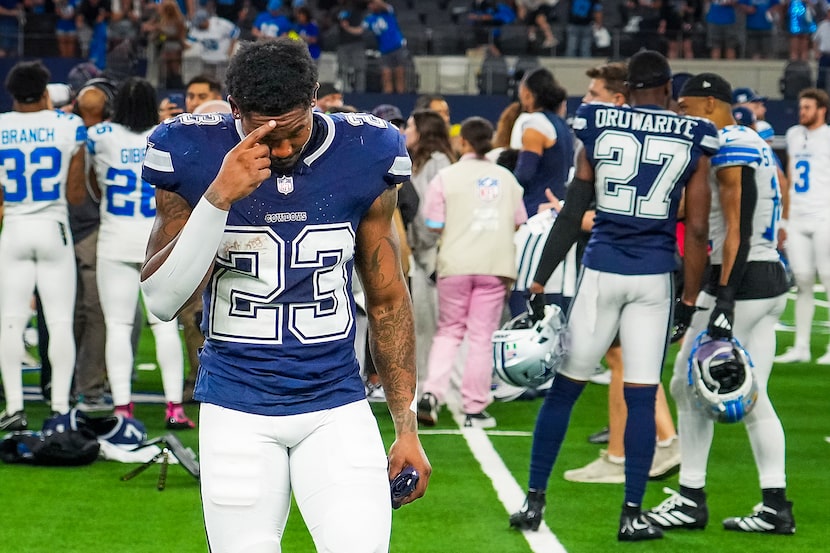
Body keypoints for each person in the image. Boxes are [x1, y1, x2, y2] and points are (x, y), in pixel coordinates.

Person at [139, 38, 430, 551]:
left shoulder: (368, 150)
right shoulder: (190, 151)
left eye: (293, 130)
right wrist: (217, 199)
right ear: (234, 111)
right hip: (236, 406)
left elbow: (386, 298)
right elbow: (163, 301)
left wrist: (406, 422)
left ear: (316, 98)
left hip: (336, 403)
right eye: (263, 133)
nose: (282, 149)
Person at [508, 50, 718, 541]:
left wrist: (539, 279)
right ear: (667, 89)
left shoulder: (598, 125)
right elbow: (701, 228)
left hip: (601, 270)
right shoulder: (692, 136)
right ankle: (631, 512)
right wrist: (689, 302)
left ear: (626, 88)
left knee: (565, 389)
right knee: (642, 396)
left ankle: (534, 499)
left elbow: (572, 209)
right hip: (653, 278)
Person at [646, 72, 796, 535]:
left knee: (688, 385)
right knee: (749, 396)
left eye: (686, 107)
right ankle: (774, 504)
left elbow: (737, 227)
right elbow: (781, 198)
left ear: (709, 103)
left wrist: (722, 300)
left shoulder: (731, 142)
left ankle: (692, 496)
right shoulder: (753, 140)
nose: (681, 116)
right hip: (766, 276)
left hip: (741, 282)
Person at [561, 61, 680, 485]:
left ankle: (648, 446)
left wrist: (572, 215)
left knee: (626, 359)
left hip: (636, 262)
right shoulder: (651, 132)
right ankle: (638, 445)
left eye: (592, 94)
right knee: (623, 358)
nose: (585, 102)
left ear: (617, 99)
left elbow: (648, 210)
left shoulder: (616, 135)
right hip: (644, 263)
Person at [86, 77, 195, 428]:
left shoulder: (99, 136)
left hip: (115, 238)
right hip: (158, 241)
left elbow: (89, 184)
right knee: (165, 327)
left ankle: (122, 408)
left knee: (117, 326)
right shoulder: (167, 132)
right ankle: (174, 407)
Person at [416, 117, 528, 429]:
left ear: (463, 142)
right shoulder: (506, 178)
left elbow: (433, 224)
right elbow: (519, 220)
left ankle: (431, 394)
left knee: (449, 331)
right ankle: (474, 408)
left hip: (456, 262)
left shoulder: (447, 177)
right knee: (481, 336)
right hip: (495, 264)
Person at [0, 61, 87, 430]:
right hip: (53, 227)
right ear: (46, 92)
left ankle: (15, 409)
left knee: (10, 323)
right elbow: (76, 194)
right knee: (60, 322)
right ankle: (58, 408)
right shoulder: (69, 126)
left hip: (15, 228)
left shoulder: (1, 126)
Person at [776, 88, 830, 363]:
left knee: (829, 280)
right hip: (797, 215)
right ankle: (801, 346)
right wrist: (784, 217)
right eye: (801, 107)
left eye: (807, 107)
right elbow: (787, 174)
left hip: (824, 214)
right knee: (803, 280)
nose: (802, 112)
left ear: (822, 109)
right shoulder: (795, 134)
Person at [363, 0, 410, 94]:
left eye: (373, 4)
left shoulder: (388, 13)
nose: (371, 6)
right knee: (386, 75)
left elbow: (383, 5)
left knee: (399, 73)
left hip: (398, 47)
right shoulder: (369, 19)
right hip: (384, 50)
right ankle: (387, 97)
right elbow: (361, 29)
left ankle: (401, 97)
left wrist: (377, 3)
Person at [187, 8, 240, 84]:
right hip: (206, 60)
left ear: (205, 20)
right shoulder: (196, 28)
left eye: (199, 23)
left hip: (222, 60)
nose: (198, 25)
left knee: (223, 84)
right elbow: (189, 42)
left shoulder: (219, 24)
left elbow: (235, 31)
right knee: (207, 83)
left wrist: (230, 49)